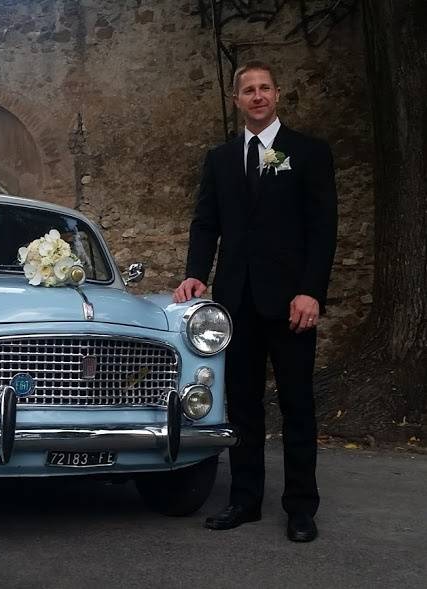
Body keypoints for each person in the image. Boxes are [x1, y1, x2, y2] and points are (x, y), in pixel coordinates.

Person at [173, 61, 337, 543]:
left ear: (278, 95)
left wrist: (312, 291)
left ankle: (301, 507)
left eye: (265, 88)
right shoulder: (221, 159)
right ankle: (244, 499)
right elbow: (206, 224)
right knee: (241, 406)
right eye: (249, 89)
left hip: (292, 303)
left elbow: (323, 228)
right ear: (236, 99)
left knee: (297, 404)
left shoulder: (307, 152)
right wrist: (194, 275)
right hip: (237, 302)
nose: (258, 95)